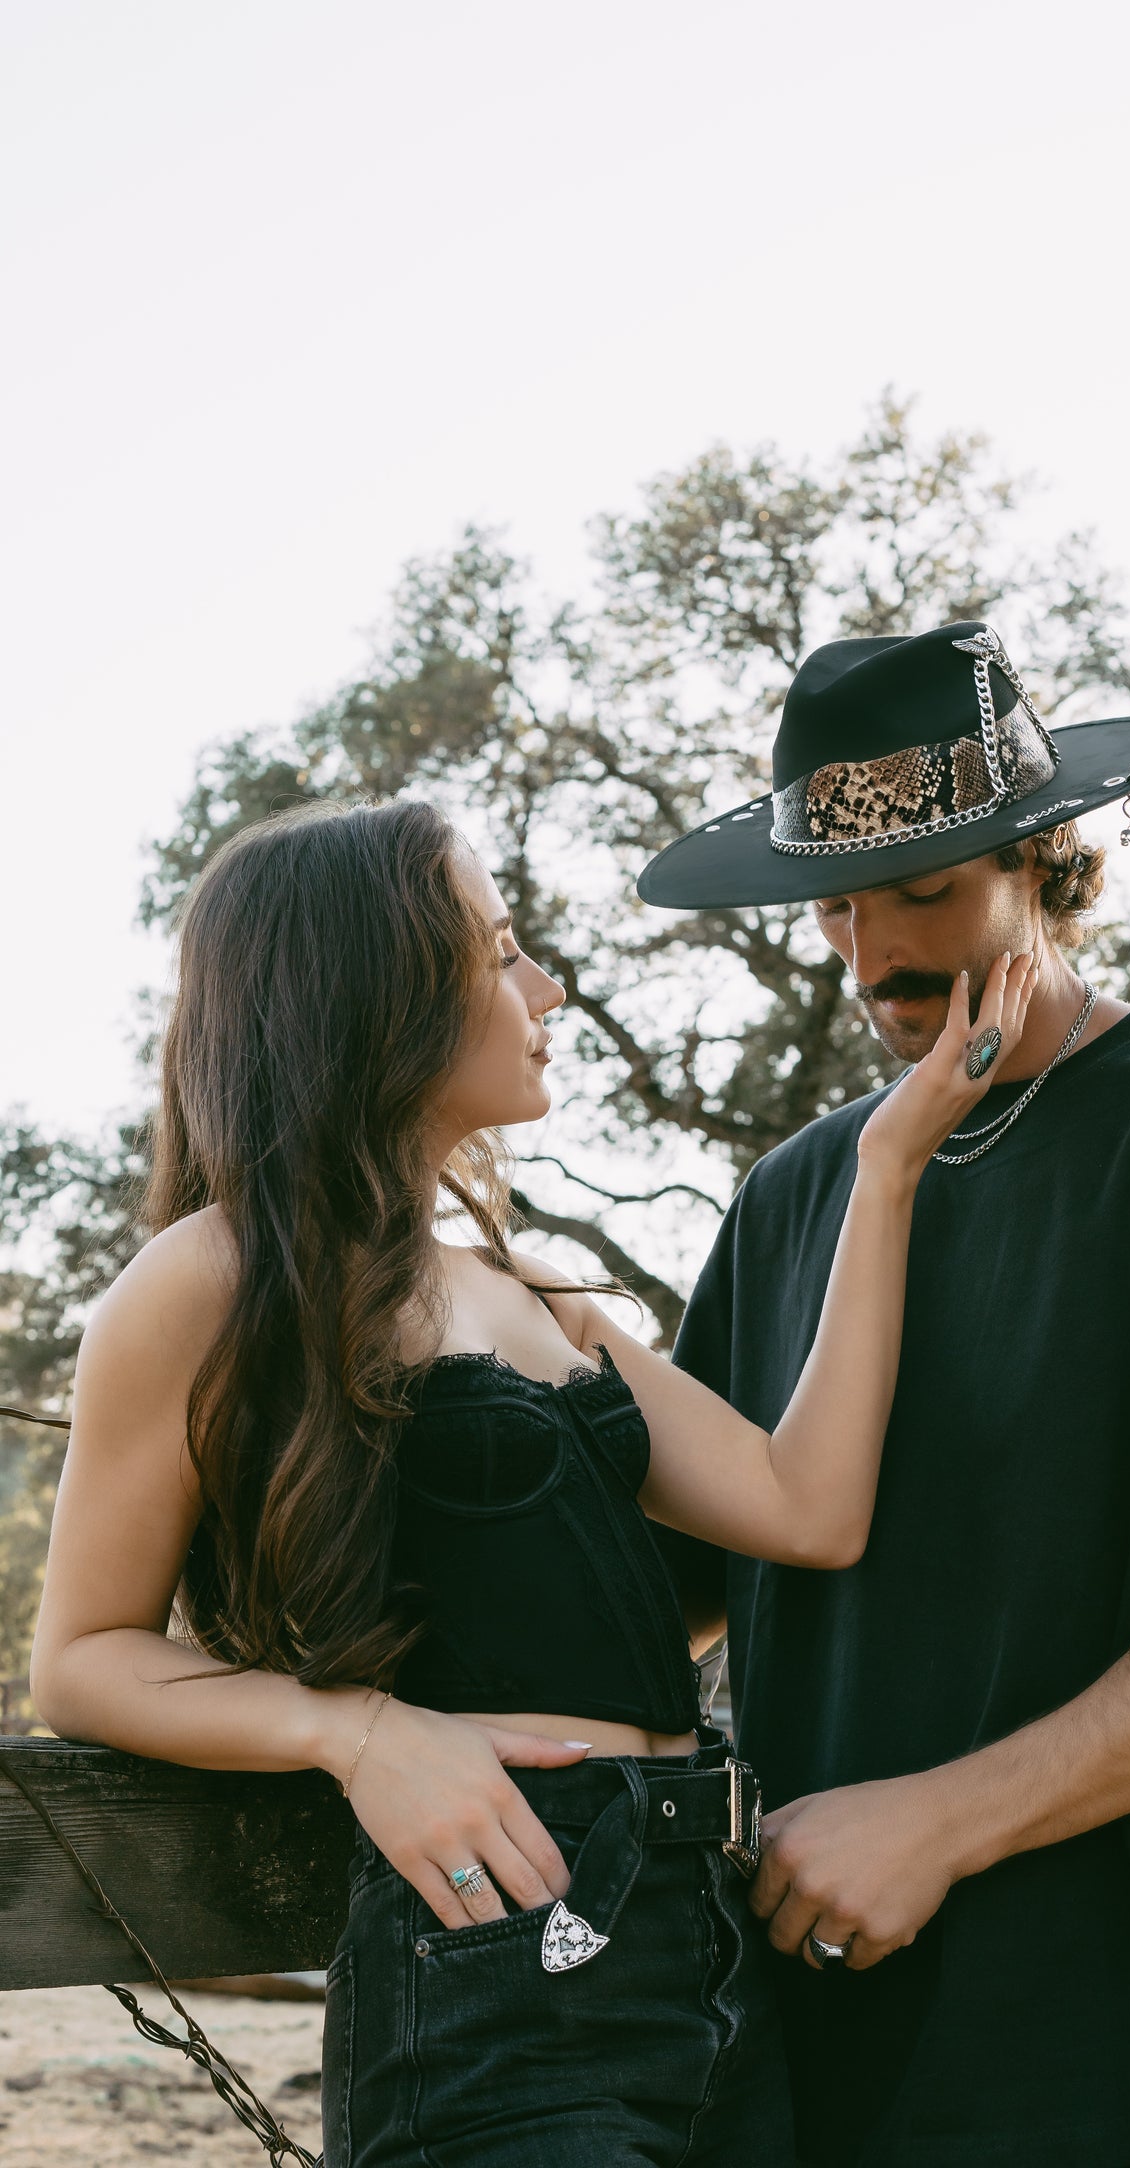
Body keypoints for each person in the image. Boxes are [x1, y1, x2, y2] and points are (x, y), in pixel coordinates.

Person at [27, 794, 1035, 2168]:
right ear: (375, 995)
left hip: (704, 1936)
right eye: (499, 952)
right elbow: (83, 1659)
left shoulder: (533, 1290)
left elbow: (807, 1508)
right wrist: (354, 1735)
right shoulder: (213, 1279)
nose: (546, 987)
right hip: (496, 1948)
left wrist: (887, 1167)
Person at [638, 619, 1130, 2167]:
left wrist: (935, 1820)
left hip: (1117, 2055)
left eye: (921, 892)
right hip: (797, 2039)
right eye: (836, 906)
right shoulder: (792, 1196)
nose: (872, 957)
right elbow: (666, 1593)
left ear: (1040, 857)